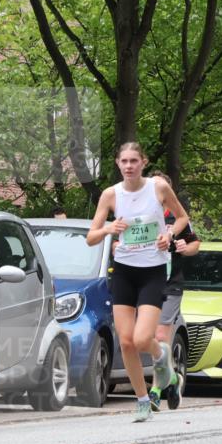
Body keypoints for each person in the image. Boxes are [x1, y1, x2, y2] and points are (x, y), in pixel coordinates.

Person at [87, 143, 189, 422]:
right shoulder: (111, 195)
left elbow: (182, 218)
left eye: (134, 160)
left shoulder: (158, 187)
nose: (129, 166)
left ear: (143, 162)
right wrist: (109, 228)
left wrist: (168, 235)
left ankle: (161, 358)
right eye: (124, 161)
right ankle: (143, 400)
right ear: (118, 164)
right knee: (127, 343)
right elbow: (91, 237)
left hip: (152, 271)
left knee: (144, 338)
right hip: (123, 272)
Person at [150, 173, 201, 412]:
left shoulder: (176, 217)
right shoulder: (141, 214)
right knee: (147, 339)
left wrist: (183, 247)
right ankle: (171, 380)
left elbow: (194, 245)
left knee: (161, 337)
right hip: (145, 281)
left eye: (163, 187)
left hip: (171, 284)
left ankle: (155, 390)